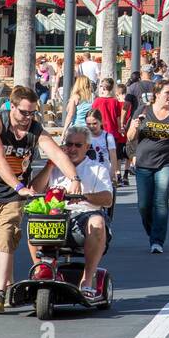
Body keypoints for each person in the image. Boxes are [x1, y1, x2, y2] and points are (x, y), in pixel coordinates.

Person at [0, 85, 82, 313]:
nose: (28, 117)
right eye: (24, 112)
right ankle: (9, 283)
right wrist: (18, 185)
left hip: (15, 194)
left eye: (32, 112)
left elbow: (55, 152)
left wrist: (74, 176)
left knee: (7, 236)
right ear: (11, 106)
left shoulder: (35, 129)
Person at [29, 125, 113, 299]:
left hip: (85, 216)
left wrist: (84, 197)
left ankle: (86, 281)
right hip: (56, 216)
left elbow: (107, 199)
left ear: (87, 147)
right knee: (35, 220)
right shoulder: (55, 167)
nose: (72, 148)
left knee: (97, 222)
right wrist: (51, 164)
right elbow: (34, 190)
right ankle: (41, 271)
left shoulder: (98, 169)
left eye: (78, 145)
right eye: (69, 144)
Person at [126, 81, 169, 253]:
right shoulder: (143, 111)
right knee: (143, 205)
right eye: (167, 93)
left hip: (167, 163)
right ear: (157, 94)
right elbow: (130, 137)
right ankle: (152, 232)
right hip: (143, 163)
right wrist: (134, 126)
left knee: (160, 201)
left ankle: (157, 240)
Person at [86, 107, 118, 183]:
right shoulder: (84, 136)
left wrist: (112, 173)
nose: (91, 126)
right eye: (88, 124)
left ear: (101, 122)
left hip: (104, 174)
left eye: (94, 123)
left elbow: (113, 157)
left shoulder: (108, 137)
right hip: (88, 173)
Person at [60, 74, 95, 139]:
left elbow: (70, 115)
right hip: (89, 127)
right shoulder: (93, 96)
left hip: (77, 128)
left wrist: (64, 131)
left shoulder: (75, 97)